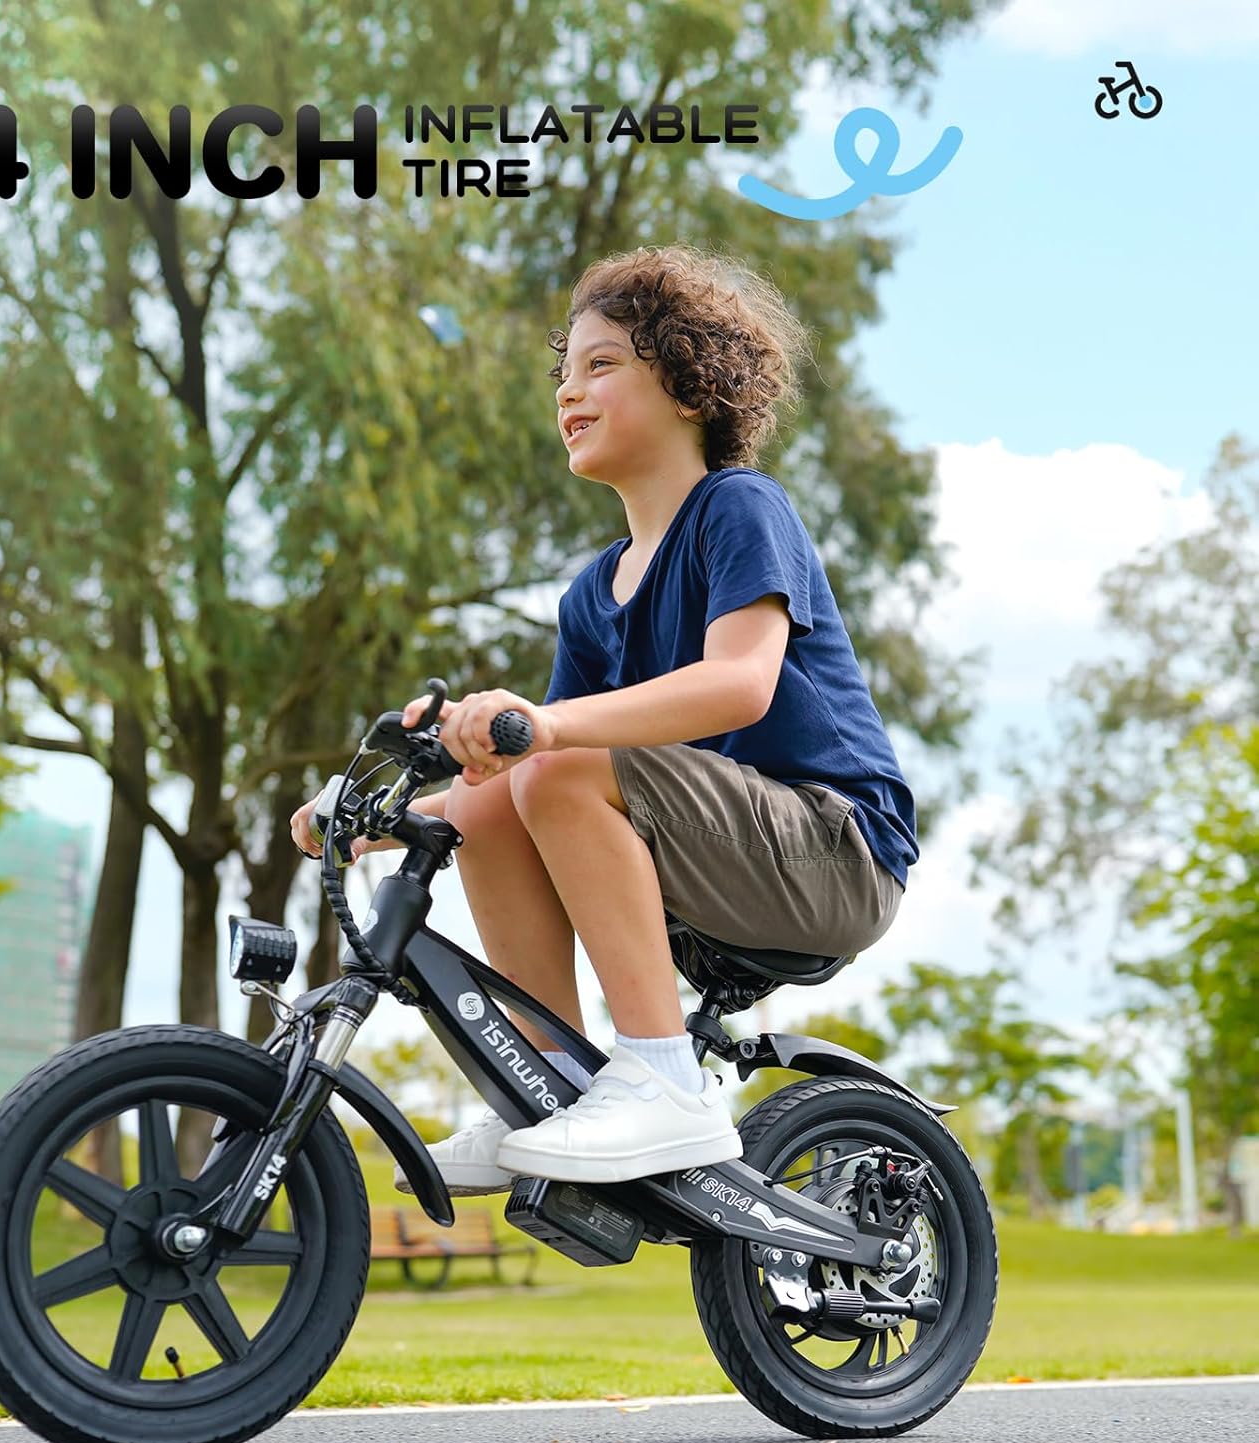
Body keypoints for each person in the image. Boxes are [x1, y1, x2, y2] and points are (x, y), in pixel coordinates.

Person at [290, 243, 918, 1195]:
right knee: (505, 799)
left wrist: (539, 731)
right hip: (712, 858)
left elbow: (739, 685)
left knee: (558, 762)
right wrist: (381, 813)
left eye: (602, 364)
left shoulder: (738, 509)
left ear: (690, 385)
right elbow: (510, 775)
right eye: (563, 372)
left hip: (835, 852)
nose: (568, 391)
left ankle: (662, 1082)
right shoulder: (593, 592)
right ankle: (548, 1084)